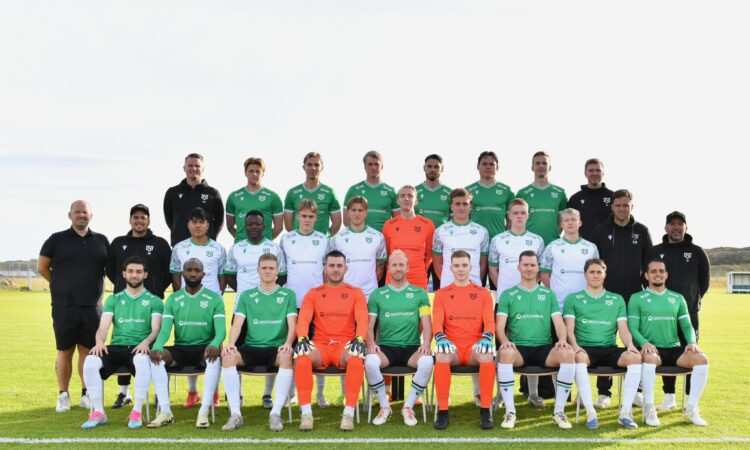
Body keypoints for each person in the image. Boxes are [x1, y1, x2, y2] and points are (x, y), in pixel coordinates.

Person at [38, 200, 110, 413]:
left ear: (91, 215)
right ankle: (63, 395)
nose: (81, 215)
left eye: (84, 212)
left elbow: (110, 269)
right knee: (64, 351)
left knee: (88, 352)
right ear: (69, 215)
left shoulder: (102, 241)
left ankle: (86, 394)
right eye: (77, 212)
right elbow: (42, 267)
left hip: (92, 307)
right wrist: (59, 284)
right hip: (64, 307)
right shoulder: (56, 239)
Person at [495, 250, 576, 430]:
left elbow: (559, 323)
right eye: (525, 265)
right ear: (519, 267)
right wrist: (505, 340)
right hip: (519, 349)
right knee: (505, 353)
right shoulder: (507, 294)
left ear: (538, 268)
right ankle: (510, 411)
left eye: (533, 265)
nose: (529, 268)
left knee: (567, 353)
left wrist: (563, 339)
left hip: (543, 348)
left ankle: (559, 411)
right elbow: (499, 327)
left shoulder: (548, 294)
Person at [79, 256, 162, 429]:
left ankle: (136, 411)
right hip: (116, 347)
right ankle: (99, 413)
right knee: (90, 361)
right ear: (124, 274)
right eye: (130, 271)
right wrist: (99, 342)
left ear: (145, 274)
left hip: (138, 348)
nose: (134, 275)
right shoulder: (113, 300)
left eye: (138, 271)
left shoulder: (155, 301)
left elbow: (155, 329)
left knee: (141, 359)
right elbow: (103, 327)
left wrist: (146, 343)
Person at [293, 250, 369, 431]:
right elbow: (303, 318)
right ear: (325, 268)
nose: (335, 269)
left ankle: (348, 415)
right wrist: (302, 337)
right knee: (302, 357)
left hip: (344, 345)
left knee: (356, 358)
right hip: (321, 346)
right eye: (332, 265)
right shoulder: (314, 293)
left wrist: (360, 338)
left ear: (346, 268)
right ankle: (306, 414)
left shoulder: (356, 293)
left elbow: (362, 318)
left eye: (339, 266)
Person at [220, 253, 297, 432]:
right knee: (228, 357)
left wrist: (288, 343)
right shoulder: (247, 295)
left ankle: (275, 413)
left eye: (271, 268)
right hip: (251, 347)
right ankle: (235, 414)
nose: (267, 271)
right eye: (264, 268)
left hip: (275, 348)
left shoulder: (288, 295)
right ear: (258, 270)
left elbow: (293, 324)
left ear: (277, 271)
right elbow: (237, 323)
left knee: (286, 357)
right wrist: (231, 343)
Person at [589, 189, 652, 408]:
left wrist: (645, 293)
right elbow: (594, 265)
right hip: (607, 298)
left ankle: (636, 392)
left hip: (634, 297)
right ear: (612, 207)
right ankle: (604, 393)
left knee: (634, 342)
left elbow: (648, 264)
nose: (622, 209)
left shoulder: (642, 231)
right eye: (618, 205)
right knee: (605, 342)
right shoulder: (600, 231)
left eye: (626, 205)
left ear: (632, 206)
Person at [628, 259, 710, 427]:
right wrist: (644, 343)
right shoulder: (637, 298)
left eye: (661, 271)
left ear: (666, 275)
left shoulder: (677, 298)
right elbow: (632, 327)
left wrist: (691, 342)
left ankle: (691, 409)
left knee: (701, 359)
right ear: (646, 275)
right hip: (652, 349)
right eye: (653, 271)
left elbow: (686, 325)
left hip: (673, 348)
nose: (657, 274)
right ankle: (650, 408)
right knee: (649, 358)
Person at [563, 259, 643, 430]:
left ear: (605, 274)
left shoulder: (617, 299)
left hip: (609, 349)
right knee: (578, 357)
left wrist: (630, 345)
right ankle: (591, 413)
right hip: (585, 349)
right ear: (585, 275)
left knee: (635, 358)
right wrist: (575, 346)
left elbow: (623, 328)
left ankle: (625, 414)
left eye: (599, 272)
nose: (595, 275)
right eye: (592, 272)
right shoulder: (573, 299)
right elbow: (569, 329)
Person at [106, 203, 171, 409]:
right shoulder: (119, 243)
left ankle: (159, 393)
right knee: (122, 340)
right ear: (130, 220)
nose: (139, 221)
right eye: (136, 217)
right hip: (123, 302)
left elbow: (168, 271)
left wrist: (156, 288)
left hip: (151, 302)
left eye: (143, 217)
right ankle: (124, 393)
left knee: (154, 343)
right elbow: (110, 270)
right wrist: (122, 286)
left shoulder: (160, 243)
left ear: (149, 221)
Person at [149, 258, 226, 428]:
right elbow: (164, 331)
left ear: (203, 274)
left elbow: (221, 331)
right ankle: (165, 411)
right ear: (182, 273)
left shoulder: (214, 298)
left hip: (204, 349)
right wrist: (157, 346)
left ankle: (204, 411)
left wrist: (214, 344)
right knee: (156, 358)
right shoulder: (173, 299)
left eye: (197, 270)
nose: (192, 273)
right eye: (189, 270)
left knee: (213, 358)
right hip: (181, 349)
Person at [647, 211, 710, 410]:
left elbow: (704, 282)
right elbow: (647, 276)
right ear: (666, 228)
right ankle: (669, 397)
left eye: (680, 224)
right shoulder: (656, 251)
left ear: (685, 227)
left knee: (691, 352)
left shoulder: (697, 252)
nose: (676, 227)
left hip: (688, 314)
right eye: (672, 224)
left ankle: (691, 401)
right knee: (666, 353)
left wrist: (692, 300)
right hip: (661, 314)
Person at [225, 210, 287, 409]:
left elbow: (282, 275)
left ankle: (267, 394)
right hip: (243, 309)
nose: (253, 227)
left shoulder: (274, 248)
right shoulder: (236, 248)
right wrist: (250, 296)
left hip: (270, 309)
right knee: (235, 350)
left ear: (264, 226)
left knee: (272, 350)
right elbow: (229, 275)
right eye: (250, 224)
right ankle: (237, 395)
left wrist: (267, 295)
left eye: (257, 224)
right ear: (244, 226)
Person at [364, 250, 433, 426]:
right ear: (388, 268)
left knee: (427, 361)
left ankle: (407, 406)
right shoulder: (377, 294)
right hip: (386, 348)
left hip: (412, 348)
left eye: (401, 264)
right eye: (394, 265)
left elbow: (427, 324)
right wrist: (371, 343)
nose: (398, 268)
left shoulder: (420, 294)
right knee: (370, 362)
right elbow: (369, 326)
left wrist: (426, 344)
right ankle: (384, 406)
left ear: (408, 268)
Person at [169, 207, 227, 407]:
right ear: (188, 225)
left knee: (215, 346)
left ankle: (214, 393)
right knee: (186, 343)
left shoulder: (218, 249)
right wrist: (183, 297)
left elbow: (222, 276)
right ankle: (193, 392)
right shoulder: (179, 248)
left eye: (201, 222)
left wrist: (216, 296)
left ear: (208, 225)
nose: (198, 225)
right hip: (186, 303)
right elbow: (175, 274)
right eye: (194, 221)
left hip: (211, 304)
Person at [431, 250, 496, 430]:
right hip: (453, 346)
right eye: (457, 266)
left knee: (487, 356)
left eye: (464, 265)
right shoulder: (442, 293)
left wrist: (487, 337)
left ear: (471, 267)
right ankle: (442, 412)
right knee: (442, 356)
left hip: (475, 346)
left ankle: (485, 411)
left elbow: (489, 322)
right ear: (450, 268)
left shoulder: (483, 293)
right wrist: (440, 337)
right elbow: (437, 322)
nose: (461, 269)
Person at [279, 199, 332, 406]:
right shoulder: (286, 239)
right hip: (293, 305)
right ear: (297, 217)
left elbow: (328, 273)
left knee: (318, 347)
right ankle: (291, 393)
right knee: (293, 349)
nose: (307, 220)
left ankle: (320, 393)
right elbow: (282, 272)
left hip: (318, 304)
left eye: (311, 216)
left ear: (316, 218)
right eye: (304, 216)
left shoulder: (324, 240)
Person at [466, 151, 514, 289]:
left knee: (498, 287)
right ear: (478, 166)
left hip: (498, 246)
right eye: (484, 164)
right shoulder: (469, 190)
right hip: (475, 246)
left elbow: (510, 220)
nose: (488, 167)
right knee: (474, 286)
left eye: (491, 164)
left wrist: (505, 239)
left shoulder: (506, 190)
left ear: (497, 167)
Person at [540, 208, 599, 310]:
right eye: (566, 220)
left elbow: (597, 274)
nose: (570, 222)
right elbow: (544, 274)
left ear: (580, 223)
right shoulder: (552, 246)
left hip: (585, 304)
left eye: (573, 219)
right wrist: (555, 292)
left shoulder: (591, 247)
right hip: (559, 305)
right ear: (561, 224)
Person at [432, 188, 489, 287]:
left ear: (470, 207)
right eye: (457, 204)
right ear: (451, 207)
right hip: (448, 287)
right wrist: (449, 284)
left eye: (465, 204)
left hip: (474, 287)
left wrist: (471, 284)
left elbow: (483, 265)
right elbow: (437, 264)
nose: (461, 207)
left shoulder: (482, 231)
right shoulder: (440, 231)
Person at [332, 196, 387, 298]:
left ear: (366, 213)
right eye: (353, 210)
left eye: (360, 210)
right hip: (344, 294)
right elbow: (332, 268)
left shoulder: (378, 237)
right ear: (348, 213)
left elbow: (380, 266)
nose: (357, 214)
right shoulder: (337, 238)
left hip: (370, 294)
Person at [382, 185, 435, 291]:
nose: (406, 198)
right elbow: (386, 254)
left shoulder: (428, 225)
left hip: (418, 279)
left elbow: (430, 255)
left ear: (416, 201)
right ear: (398, 201)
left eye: (410, 196)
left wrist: (418, 269)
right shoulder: (389, 225)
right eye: (402, 196)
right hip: (394, 279)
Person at [163, 153, 224, 246]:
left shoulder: (213, 193)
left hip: (205, 246)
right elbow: (169, 219)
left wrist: (210, 236)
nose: (194, 168)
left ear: (203, 169)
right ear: (184, 168)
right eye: (190, 166)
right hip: (180, 246)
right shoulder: (172, 192)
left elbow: (219, 221)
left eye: (197, 166)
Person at [488, 198, 545, 296]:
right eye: (515, 213)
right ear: (509, 215)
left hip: (528, 296)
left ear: (528, 215)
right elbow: (492, 269)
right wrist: (502, 289)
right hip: (504, 297)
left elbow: (540, 269)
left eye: (523, 213)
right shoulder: (497, 240)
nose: (519, 216)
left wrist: (530, 287)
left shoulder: (537, 240)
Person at [225, 157, 284, 243]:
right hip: (241, 246)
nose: (254, 174)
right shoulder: (233, 196)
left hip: (264, 247)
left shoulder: (273, 197)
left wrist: (265, 241)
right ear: (245, 173)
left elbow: (279, 227)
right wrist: (242, 240)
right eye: (251, 171)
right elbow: (229, 226)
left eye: (258, 171)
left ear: (263, 173)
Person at [415, 154, 451, 290]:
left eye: (436, 167)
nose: (432, 169)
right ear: (424, 168)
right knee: (418, 288)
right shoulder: (414, 192)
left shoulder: (449, 193)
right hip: (420, 249)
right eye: (429, 166)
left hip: (442, 249)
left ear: (442, 169)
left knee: (441, 288)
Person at [284, 152, 342, 236]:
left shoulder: (330, 192)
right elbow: (288, 223)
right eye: (309, 165)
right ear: (304, 167)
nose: (313, 168)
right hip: (299, 242)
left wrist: (325, 238)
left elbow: (337, 222)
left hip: (322, 243)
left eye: (317, 165)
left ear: (322, 168)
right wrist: (298, 238)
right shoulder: (292, 192)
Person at [517, 151, 568, 245]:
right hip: (528, 245)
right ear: (532, 167)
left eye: (544, 163)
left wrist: (553, 237)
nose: (541, 166)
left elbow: (562, 221)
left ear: (550, 167)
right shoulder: (522, 193)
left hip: (552, 244)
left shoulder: (560, 193)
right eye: (537, 163)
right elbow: (517, 221)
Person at [343, 150, 399, 232]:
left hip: (384, 237)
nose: (373, 167)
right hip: (360, 238)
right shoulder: (354, 190)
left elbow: (397, 221)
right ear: (364, 166)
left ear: (382, 166)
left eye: (376, 164)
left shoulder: (391, 191)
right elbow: (346, 220)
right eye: (370, 164)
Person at [567, 159, 613, 241]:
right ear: (585, 173)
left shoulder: (613, 197)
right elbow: (568, 225)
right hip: (582, 245)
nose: (595, 173)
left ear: (603, 173)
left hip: (608, 245)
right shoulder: (575, 199)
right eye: (591, 170)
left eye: (598, 170)